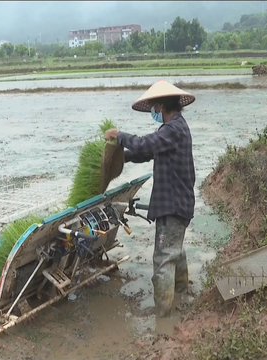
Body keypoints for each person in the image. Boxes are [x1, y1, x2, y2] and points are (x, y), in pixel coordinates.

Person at [104, 80, 196, 318]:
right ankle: (183, 296)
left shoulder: (173, 129)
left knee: (164, 258)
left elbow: (146, 143)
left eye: (155, 106)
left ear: (162, 105)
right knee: (175, 250)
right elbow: (145, 151)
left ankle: (163, 315)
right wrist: (119, 157)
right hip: (178, 203)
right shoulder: (172, 129)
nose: (153, 111)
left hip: (173, 204)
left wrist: (119, 136)